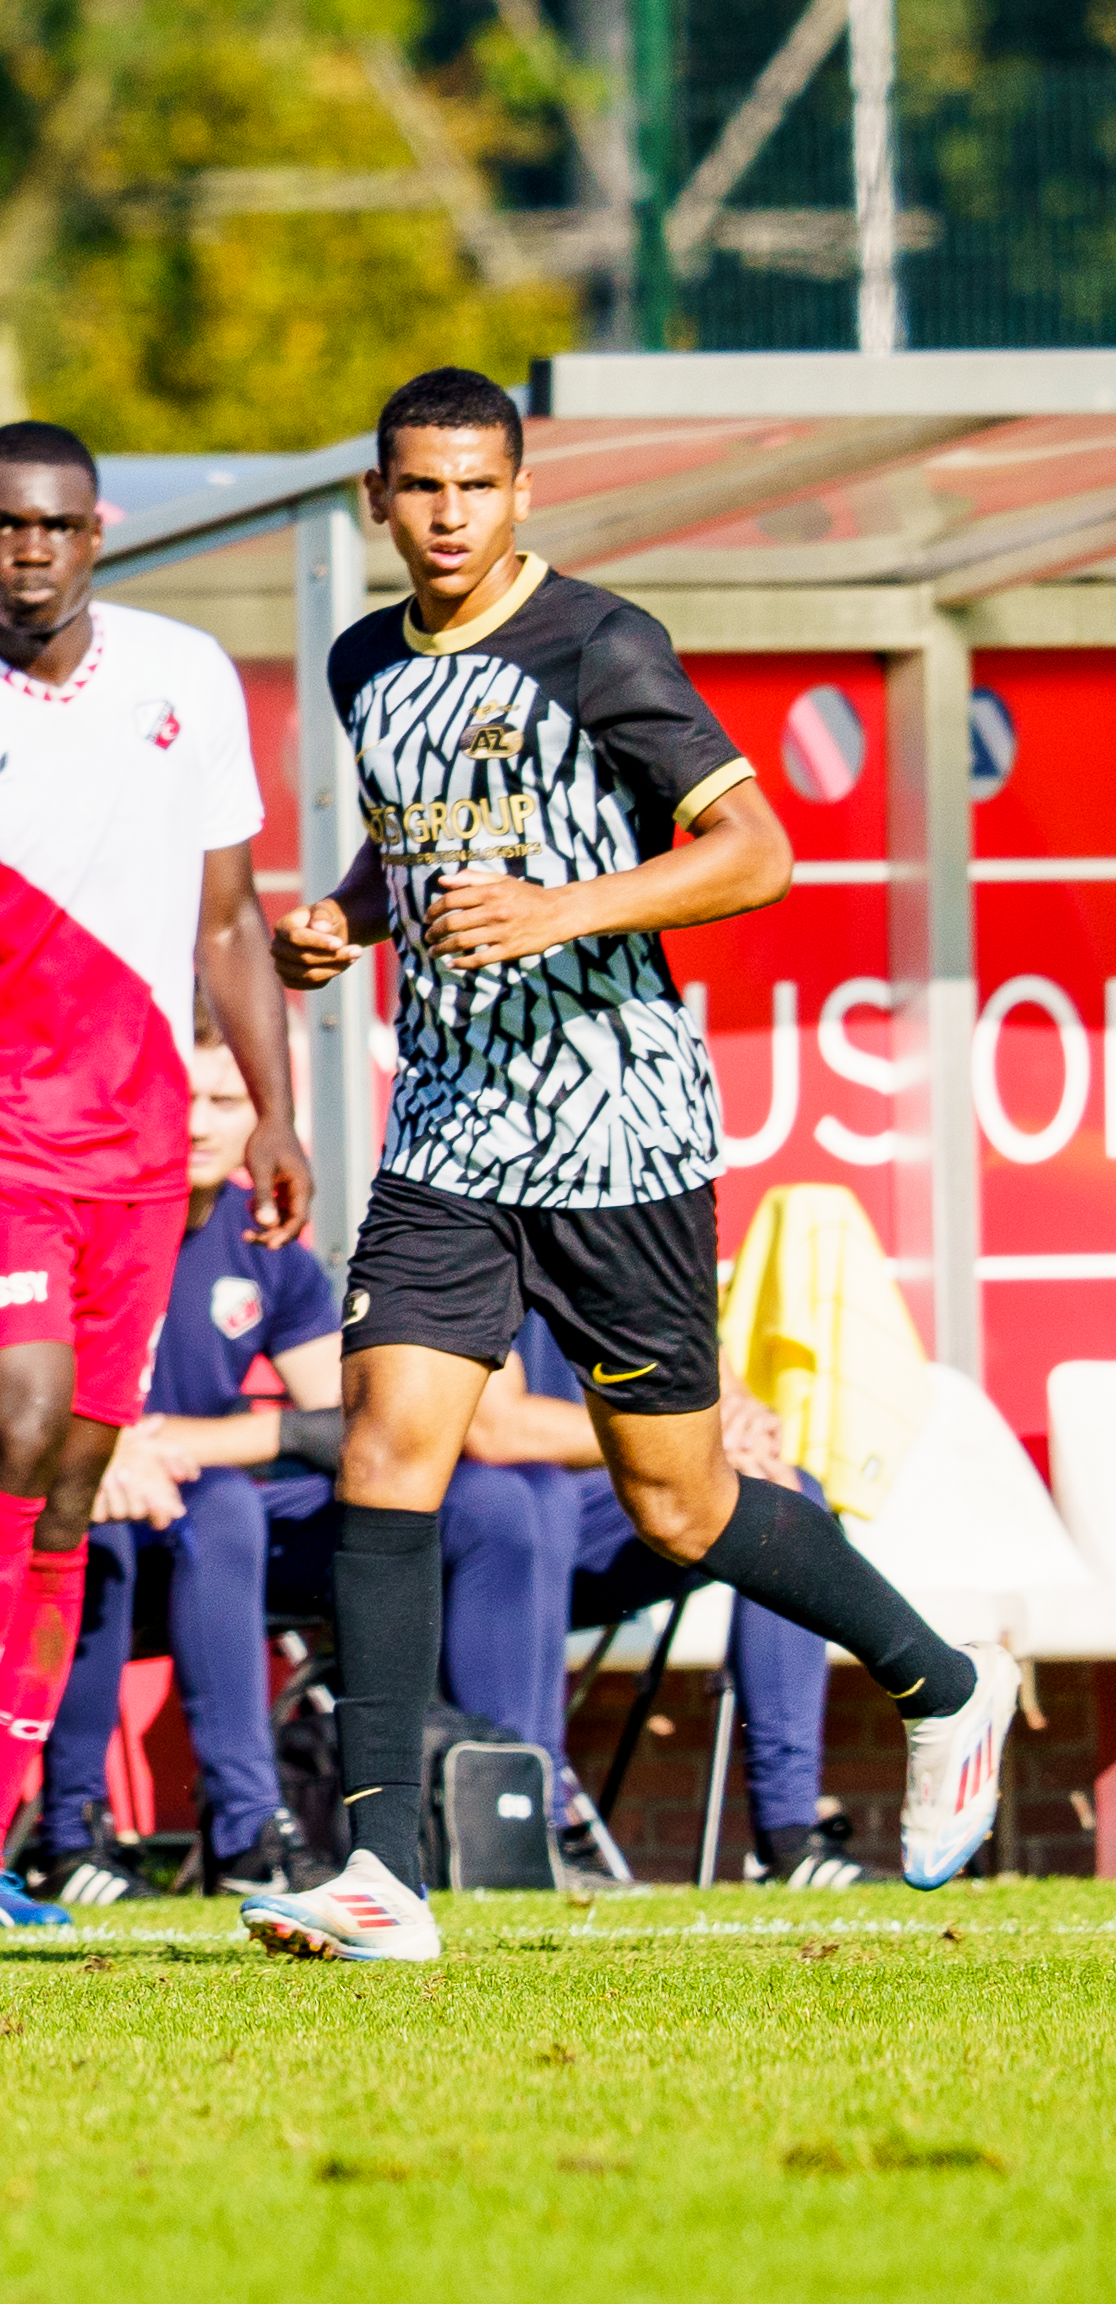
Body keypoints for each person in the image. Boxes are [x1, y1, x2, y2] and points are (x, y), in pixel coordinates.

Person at [256, 367, 1012, 1964]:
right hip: (450, 1123)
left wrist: (557, 909)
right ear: (376, 501)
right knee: (386, 1448)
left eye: (475, 485)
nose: (446, 513)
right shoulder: (360, 661)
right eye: (418, 487)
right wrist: (342, 922)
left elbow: (755, 853)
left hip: (617, 1128)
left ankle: (942, 1676)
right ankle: (379, 1871)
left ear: (521, 492)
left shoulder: (601, 643)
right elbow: (412, 842)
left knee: (673, 1504)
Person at [0, 417, 315, 1930]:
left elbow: (230, 920)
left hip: (144, 1147)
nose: (24, 550)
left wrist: (277, 1114)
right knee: (15, 1430)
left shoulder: (183, 680)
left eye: (52, 526)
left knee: (74, 1483)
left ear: (96, 536)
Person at [25, 1023, 341, 1905]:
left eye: (225, 1102)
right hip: (71, 1502)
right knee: (104, 1525)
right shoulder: (82, 1217)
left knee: (230, 1505)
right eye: (182, 1098)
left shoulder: (266, 1237)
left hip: (204, 1518)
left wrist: (178, 1444)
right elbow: (13, 1387)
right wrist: (105, 1449)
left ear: (264, 1117)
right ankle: (70, 1831)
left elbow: (338, 1423)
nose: (198, 1123)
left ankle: (249, 1829)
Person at [459, 1316, 858, 1887]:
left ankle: (792, 1844)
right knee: (530, 1504)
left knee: (788, 1506)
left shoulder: (655, 1238)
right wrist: (681, 1444)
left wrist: (745, 1424)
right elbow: (496, 1430)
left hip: (614, 1509)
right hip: (492, 1530)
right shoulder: (490, 1233)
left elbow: (721, 1393)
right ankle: (533, 1827)